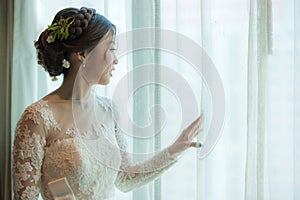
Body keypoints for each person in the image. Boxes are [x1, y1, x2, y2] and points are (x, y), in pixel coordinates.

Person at [12, 7, 203, 200]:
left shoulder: (109, 110)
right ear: (82, 53)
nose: (116, 60)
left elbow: (126, 177)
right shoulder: (36, 118)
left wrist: (174, 150)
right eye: (111, 49)